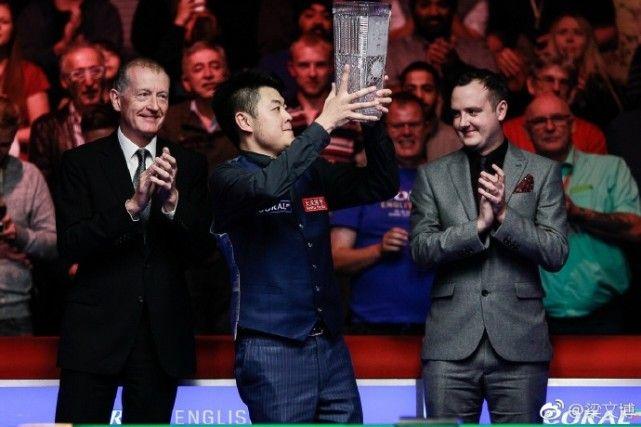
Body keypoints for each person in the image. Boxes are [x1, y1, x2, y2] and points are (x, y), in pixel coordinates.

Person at [210, 66, 397, 422]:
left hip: (329, 343)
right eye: (277, 108)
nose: (288, 116)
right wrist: (325, 123)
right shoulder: (227, 177)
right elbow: (268, 187)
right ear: (244, 121)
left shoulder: (312, 172)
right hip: (272, 346)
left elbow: (381, 184)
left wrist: (370, 118)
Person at [54, 58, 210, 423]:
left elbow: (203, 252)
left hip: (161, 336)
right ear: (116, 99)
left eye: (162, 96)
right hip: (95, 333)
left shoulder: (188, 164)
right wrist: (131, 207)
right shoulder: (80, 163)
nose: (153, 106)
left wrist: (172, 205)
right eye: (143, 94)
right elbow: (70, 244)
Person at [410, 68, 568, 422]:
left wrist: (504, 218)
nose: (462, 122)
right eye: (456, 113)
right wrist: (478, 227)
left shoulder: (541, 172)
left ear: (500, 110)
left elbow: (556, 251)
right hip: (449, 345)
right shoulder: (432, 175)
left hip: (520, 342)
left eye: (473, 111)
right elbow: (421, 250)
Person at [525, 93, 641, 334]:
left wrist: (577, 213)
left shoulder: (610, 168)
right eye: (540, 121)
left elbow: (636, 229)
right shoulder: (517, 180)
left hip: (608, 313)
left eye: (558, 118)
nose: (549, 127)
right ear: (527, 130)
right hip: (539, 319)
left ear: (573, 125)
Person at [331, 93, 435, 334]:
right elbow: (335, 258)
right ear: (385, 130)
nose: (406, 132)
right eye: (398, 126)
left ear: (426, 128)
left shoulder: (443, 182)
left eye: (414, 124)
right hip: (371, 324)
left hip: (435, 326)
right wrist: (379, 249)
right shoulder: (362, 182)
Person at [0, 97, 56, 336]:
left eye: (3, 144)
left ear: (14, 135)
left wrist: (19, 235)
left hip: (16, 311)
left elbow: (53, 243)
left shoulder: (29, 176)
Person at [29, 42, 106, 192]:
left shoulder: (123, 120)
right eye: (78, 74)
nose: (89, 82)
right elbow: (42, 187)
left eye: (95, 71)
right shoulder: (46, 128)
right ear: (64, 81)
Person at [160, 41, 238, 170]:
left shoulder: (243, 116)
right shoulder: (169, 120)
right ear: (186, 82)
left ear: (226, 75)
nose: (208, 74)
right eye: (198, 69)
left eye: (215, 66)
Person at [502, 58, 607, 154]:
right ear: (531, 85)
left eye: (564, 82)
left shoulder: (590, 135)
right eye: (549, 80)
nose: (556, 88)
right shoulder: (508, 132)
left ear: (571, 91)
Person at [386, 0, 498, 88]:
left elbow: (495, 89)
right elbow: (385, 96)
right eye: (425, 5)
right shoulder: (394, 51)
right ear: (413, 10)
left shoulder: (476, 48)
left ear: (453, 10)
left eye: (442, 5)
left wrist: (457, 67)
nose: (434, 12)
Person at [287, 34, 360, 164]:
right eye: (304, 65)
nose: (312, 73)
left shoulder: (351, 116)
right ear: (292, 69)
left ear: (332, 67)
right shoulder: (280, 116)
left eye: (320, 65)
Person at [0, 0, 50, 153]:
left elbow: (41, 129)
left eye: (3, 22)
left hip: (17, 159)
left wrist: (7, 137)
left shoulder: (30, 73)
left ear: (13, 28)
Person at [400, 61, 462, 161]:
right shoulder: (389, 137)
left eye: (427, 89)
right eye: (411, 89)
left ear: (438, 94)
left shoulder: (455, 140)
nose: (419, 96)